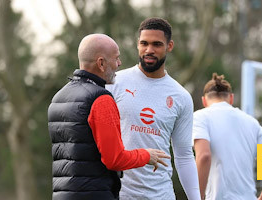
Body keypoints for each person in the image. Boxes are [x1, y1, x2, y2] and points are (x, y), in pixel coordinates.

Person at [48, 33, 170, 200]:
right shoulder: (101, 99)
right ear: (101, 63)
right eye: (116, 58)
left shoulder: (59, 97)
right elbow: (114, 159)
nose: (119, 64)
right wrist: (146, 155)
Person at [106, 18, 200, 200]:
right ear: (137, 45)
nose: (149, 50)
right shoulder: (114, 83)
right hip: (119, 193)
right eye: (144, 43)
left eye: (157, 44)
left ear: (169, 46)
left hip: (161, 195)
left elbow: (184, 156)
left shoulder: (181, 96)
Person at [192, 73, 262, 200]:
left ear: (204, 101)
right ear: (231, 98)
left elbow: (204, 156)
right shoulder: (252, 122)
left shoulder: (200, 117)